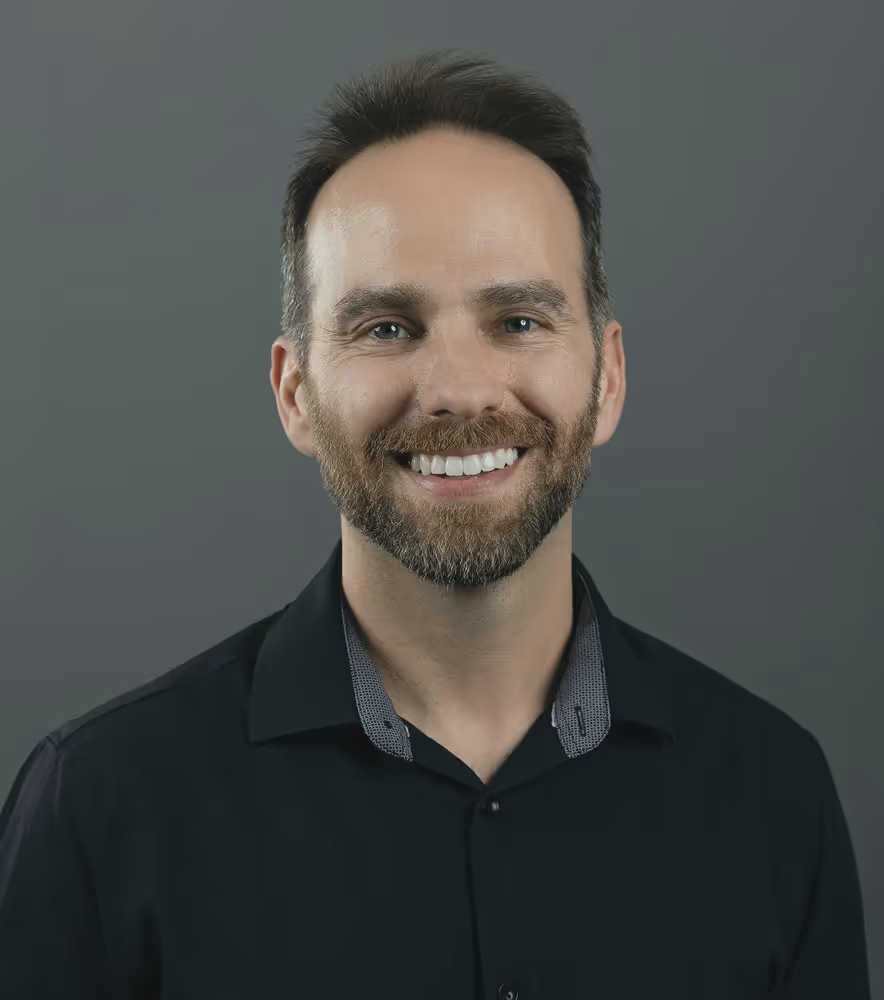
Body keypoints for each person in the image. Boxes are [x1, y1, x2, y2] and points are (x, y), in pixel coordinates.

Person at [0, 49, 871, 1000]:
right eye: (385, 327)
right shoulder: (97, 807)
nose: (457, 390)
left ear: (609, 378)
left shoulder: (776, 795)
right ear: (295, 394)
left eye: (520, 322)